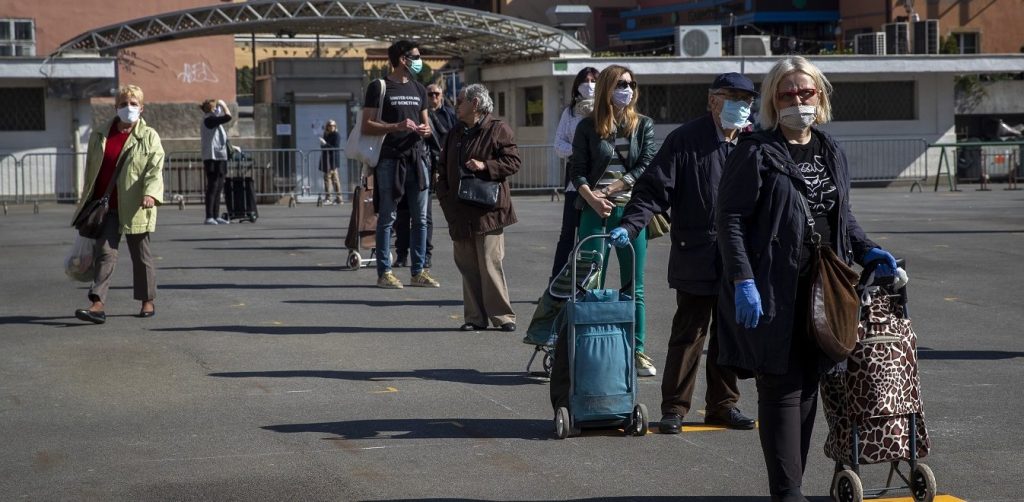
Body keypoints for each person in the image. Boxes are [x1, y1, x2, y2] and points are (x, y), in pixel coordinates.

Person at [715, 56, 899, 502]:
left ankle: (790, 485)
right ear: (773, 102)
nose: (798, 101)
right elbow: (730, 218)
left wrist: (867, 247)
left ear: (820, 95)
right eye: (787, 94)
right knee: (779, 385)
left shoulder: (830, 149)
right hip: (772, 286)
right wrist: (743, 278)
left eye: (805, 92)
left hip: (824, 286)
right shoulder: (756, 150)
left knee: (809, 383)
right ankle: (787, 491)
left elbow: (842, 216)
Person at [612, 72, 759, 433]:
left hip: (739, 259)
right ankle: (674, 408)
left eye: (747, 100)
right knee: (690, 333)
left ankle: (723, 405)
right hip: (696, 251)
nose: (741, 106)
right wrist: (630, 225)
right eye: (733, 97)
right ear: (713, 100)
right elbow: (652, 190)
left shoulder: (754, 143)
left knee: (729, 333)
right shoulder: (686, 139)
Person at [569, 64, 658, 377]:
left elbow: (647, 165)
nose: (628, 89)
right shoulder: (587, 127)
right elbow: (576, 169)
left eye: (631, 84)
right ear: (607, 87)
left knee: (634, 285)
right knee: (591, 281)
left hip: (632, 213)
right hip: (595, 211)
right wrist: (592, 197)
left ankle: (637, 350)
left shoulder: (643, 125)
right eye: (621, 84)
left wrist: (613, 188)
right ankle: (589, 346)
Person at [73, 84, 165, 324]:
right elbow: (92, 172)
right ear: (115, 107)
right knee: (105, 253)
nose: (128, 108)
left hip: (136, 205)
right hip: (105, 207)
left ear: (142, 108)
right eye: (124, 103)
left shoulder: (149, 136)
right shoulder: (100, 134)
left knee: (141, 255)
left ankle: (147, 299)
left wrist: (151, 194)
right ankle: (97, 303)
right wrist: (87, 201)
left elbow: (155, 169)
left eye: (133, 104)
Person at [436, 83, 520, 331]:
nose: (455, 105)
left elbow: (513, 162)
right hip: (459, 212)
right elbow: (441, 167)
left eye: (459, 101)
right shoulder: (455, 133)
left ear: (475, 104)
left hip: (488, 211)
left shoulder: (498, 129)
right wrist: (444, 196)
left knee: (489, 263)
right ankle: (474, 318)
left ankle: (503, 316)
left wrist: (486, 166)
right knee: (467, 265)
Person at [361, 39, 439, 289]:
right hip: (390, 159)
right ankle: (385, 272)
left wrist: (426, 130)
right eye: (416, 56)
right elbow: (367, 124)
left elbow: (426, 123)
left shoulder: (418, 89)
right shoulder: (379, 87)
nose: (419, 60)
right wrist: (396, 126)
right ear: (403, 59)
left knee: (421, 218)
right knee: (387, 216)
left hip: (417, 159)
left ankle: (418, 271)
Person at [394, 82, 456, 268]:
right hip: (412, 164)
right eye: (430, 94)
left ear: (442, 95)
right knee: (403, 214)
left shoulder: (449, 116)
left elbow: (451, 142)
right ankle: (402, 254)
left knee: (424, 216)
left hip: (432, 167)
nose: (433, 97)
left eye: (437, 94)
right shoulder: (417, 113)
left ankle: (425, 255)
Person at [547, 66, 599, 282]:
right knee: (567, 235)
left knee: (593, 237)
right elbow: (559, 144)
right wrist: (579, 152)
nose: (589, 84)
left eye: (593, 80)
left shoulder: (607, 110)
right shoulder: (569, 113)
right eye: (585, 80)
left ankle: (587, 284)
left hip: (599, 183)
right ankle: (556, 282)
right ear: (577, 85)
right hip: (574, 182)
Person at [200, 98, 232, 225]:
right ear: (212, 109)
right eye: (216, 107)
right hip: (211, 157)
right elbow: (228, 117)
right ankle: (209, 216)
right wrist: (224, 105)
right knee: (213, 186)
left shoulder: (214, 120)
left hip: (220, 156)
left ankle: (216, 215)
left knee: (219, 186)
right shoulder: (209, 120)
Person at [319, 119, 343, 204]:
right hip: (326, 160)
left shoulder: (336, 135)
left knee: (331, 180)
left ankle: (332, 198)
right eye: (329, 125)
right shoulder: (326, 134)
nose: (331, 127)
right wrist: (323, 144)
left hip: (332, 160)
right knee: (331, 179)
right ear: (327, 127)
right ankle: (336, 198)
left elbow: (335, 147)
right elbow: (323, 148)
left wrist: (325, 143)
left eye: (333, 125)